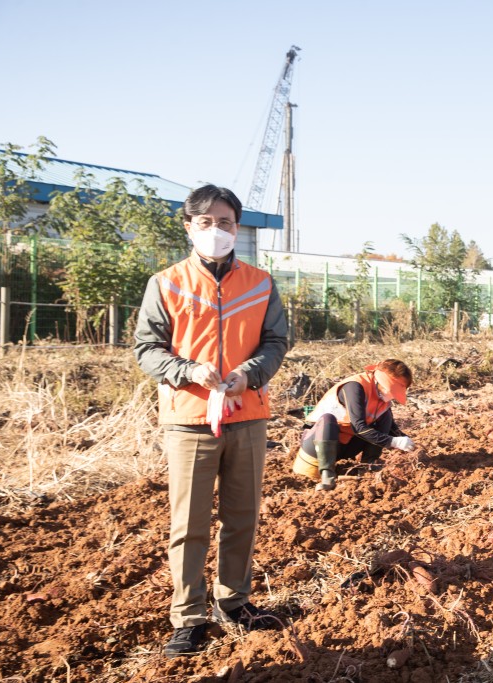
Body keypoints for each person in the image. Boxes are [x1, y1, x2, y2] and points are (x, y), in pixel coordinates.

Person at [134, 185, 289, 657]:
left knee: (242, 516)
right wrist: (186, 371)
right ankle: (188, 617)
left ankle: (234, 602)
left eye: (225, 223)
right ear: (189, 226)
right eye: (206, 222)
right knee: (189, 523)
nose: (216, 231)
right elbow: (147, 349)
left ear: (236, 228)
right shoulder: (166, 283)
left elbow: (276, 340)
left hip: (247, 414)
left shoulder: (261, 283)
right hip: (189, 418)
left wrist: (251, 373)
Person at [301, 359, 416, 491]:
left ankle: (368, 466)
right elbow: (358, 427)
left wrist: (409, 443)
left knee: (386, 416)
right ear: (381, 383)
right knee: (328, 419)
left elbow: (392, 428)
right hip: (317, 444)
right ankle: (327, 476)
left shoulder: (382, 399)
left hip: (346, 446)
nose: (393, 397)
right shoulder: (354, 387)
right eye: (392, 392)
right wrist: (392, 441)